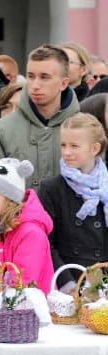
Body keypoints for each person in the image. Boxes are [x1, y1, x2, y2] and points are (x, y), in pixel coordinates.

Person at [0, 44, 80, 189]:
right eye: (31, 76)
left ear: (64, 83)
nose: (35, 85)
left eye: (44, 77)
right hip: (17, 211)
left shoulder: (85, 129)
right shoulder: (1, 130)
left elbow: (96, 185)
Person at [39, 113, 108, 292]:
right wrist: (67, 283)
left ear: (94, 148)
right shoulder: (52, 189)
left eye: (74, 146)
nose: (67, 152)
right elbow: (46, 242)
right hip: (70, 282)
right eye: (63, 145)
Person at [0, 158, 54, 294]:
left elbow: (23, 281)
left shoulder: (30, 233)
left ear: (10, 199)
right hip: (7, 307)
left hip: (30, 309)